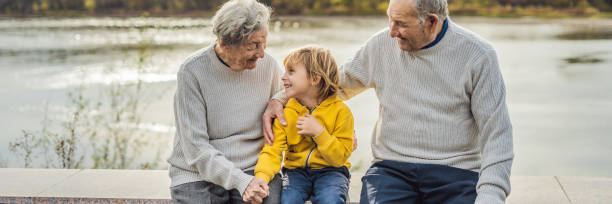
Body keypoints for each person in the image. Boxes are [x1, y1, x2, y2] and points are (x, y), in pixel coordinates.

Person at [262, 0, 514, 203]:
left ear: (431, 22)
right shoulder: (383, 44)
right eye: (389, 20)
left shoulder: (478, 55)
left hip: (456, 172)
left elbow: (497, 134)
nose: (391, 32)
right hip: (391, 170)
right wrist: (279, 98)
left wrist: (491, 195)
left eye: (400, 24)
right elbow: (328, 85)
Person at [167, 0, 283, 203]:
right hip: (196, 173)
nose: (262, 53)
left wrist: (279, 99)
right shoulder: (193, 71)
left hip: (255, 169)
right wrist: (240, 181)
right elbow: (196, 148)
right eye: (254, 46)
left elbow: (298, 98)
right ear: (224, 43)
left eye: (264, 44)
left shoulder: (269, 66)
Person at [254, 46, 354, 204]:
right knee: (288, 200)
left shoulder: (341, 112)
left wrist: (319, 133)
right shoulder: (286, 113)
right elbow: (272, 152)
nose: (283, 77)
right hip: (296, 172)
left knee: (331, 200)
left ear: (315, 79)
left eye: (291, 71)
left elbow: (339, 158)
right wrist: (261, 177)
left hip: (332, 171)